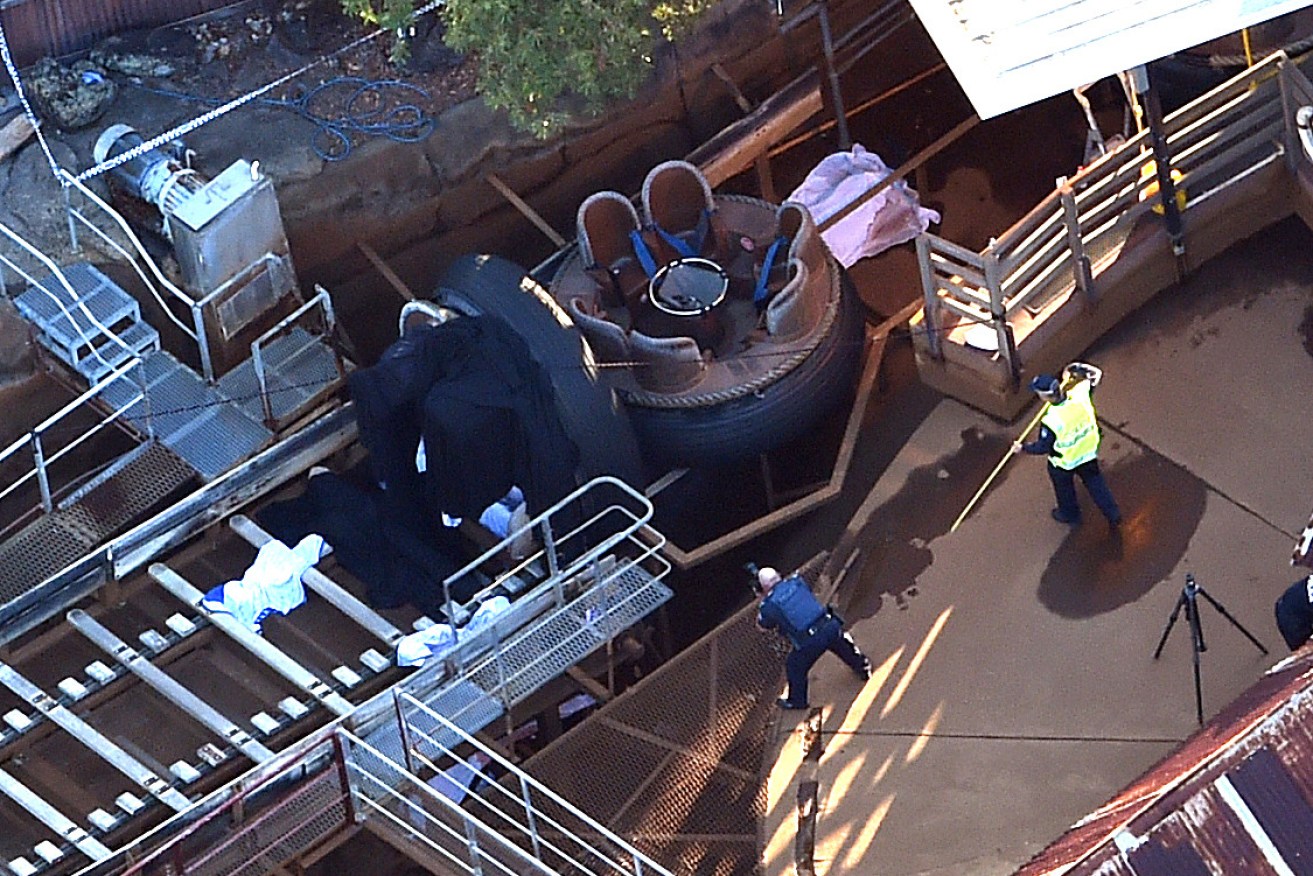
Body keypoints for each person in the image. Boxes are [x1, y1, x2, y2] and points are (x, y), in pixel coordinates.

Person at [1013, 362, 1122, 529]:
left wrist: (1022, 448)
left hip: (1064, 463)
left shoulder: (1051, 420)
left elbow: (1043, 447)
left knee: (1064, 489)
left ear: (1044, 396)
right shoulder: (1080, 395)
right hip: (1088, 453)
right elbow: (1093, 377)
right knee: (1096, 484)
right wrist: (1072, 371)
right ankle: (1112, 513)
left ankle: (1069, 514)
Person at [755, 566, 871, 710]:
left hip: (810, 641)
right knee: (840, 643)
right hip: (829, 624)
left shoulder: (769, 606)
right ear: (779, 575)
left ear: (762, 587)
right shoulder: (797, 581)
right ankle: (862, 667)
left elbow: (762, 626)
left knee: (794, 666)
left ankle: (797, 702)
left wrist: (762, 600)